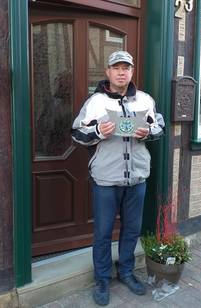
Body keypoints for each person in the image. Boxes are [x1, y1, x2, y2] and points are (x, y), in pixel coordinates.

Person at [71, 50, 165, 306]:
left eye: (127, 67)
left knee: (132, 229)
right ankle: (102, 278)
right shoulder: (96, 102)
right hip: (106, 179)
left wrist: (148, 132)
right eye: (117, 67)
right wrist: (98, 131)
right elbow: (77, 133)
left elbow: (159, 126)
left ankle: (126, 271)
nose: (122, 72)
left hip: (137, 178)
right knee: (102, 232)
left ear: (132, 72)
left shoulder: (145, 99)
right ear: (108, 72)